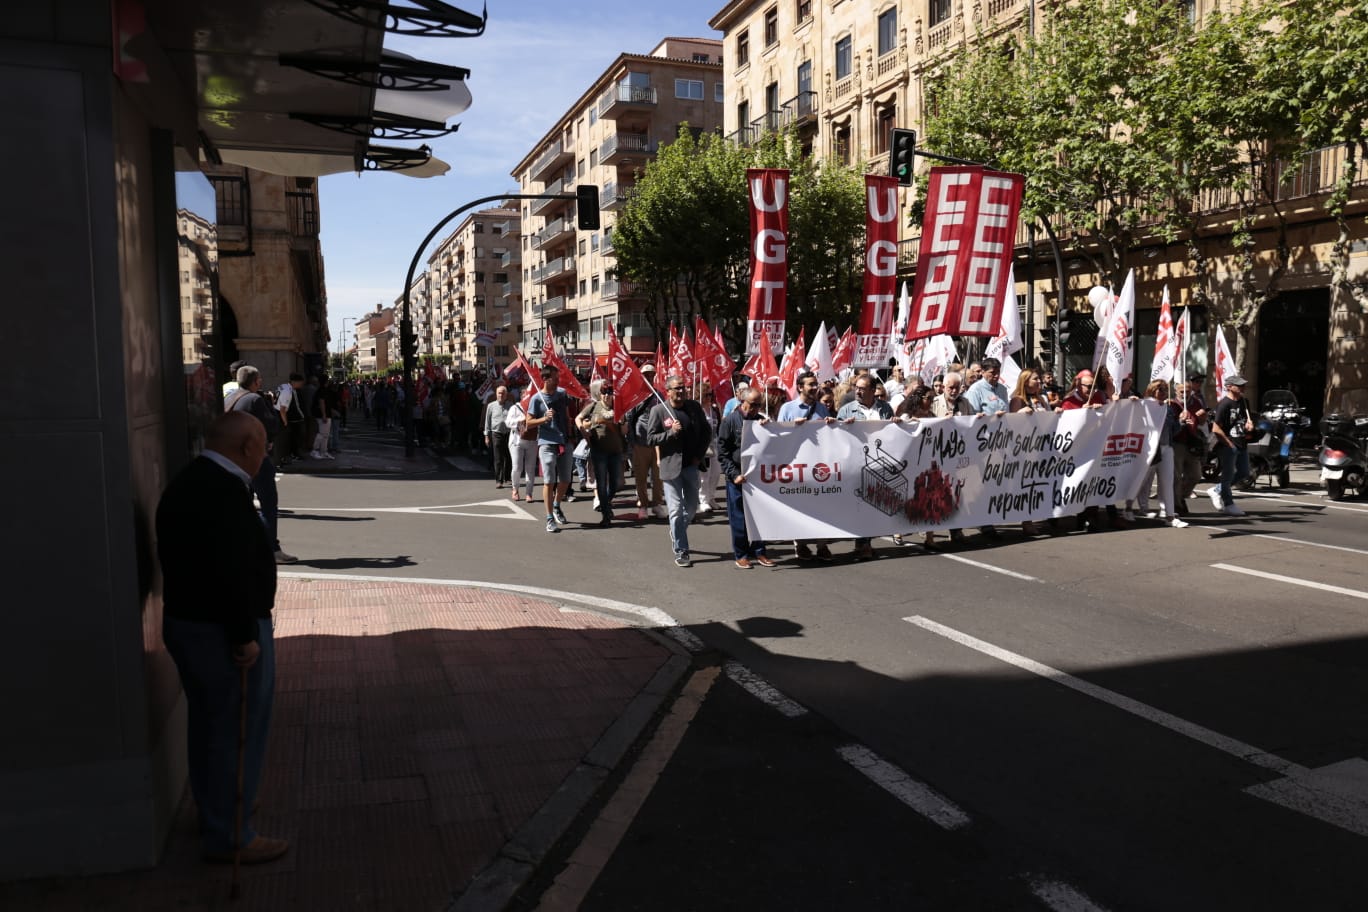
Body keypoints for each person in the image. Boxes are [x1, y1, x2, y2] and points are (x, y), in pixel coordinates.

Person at [157, 411, 288, 865]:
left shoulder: (197, 480)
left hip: (196, 622)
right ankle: (232, 832)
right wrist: (243, 635)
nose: (266, 453)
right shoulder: (220, 492)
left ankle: (220, 807)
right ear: (248, 447)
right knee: (236, 729)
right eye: (264, 445)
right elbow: (226, 571)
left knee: (212, 725)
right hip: (220, 629)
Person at [226, 365, 296, 564]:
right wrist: (271, 405)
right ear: (256, 381)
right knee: (268, 504)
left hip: (235, 458)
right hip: (255, 457)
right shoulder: (255, 399)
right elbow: (273, 426)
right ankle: (271, 550)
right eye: (260, 379)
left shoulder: (230, 398)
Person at [645, 374, 712, 567]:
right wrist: (670, 433)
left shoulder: (694, 407)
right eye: (678, 388)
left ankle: (676, 530)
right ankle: (682, 550)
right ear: (668, 391)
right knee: (675, 510)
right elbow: (650, 439)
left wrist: (699, 455)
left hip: (691, 466)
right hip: (670, 468)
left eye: (684, 387)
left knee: (690, 509)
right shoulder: (659, 411)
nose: (682, 391)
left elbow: (706, 432)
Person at [778, 371, 835, 561]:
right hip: (797, 464)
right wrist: (792, 426)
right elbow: (778, 435)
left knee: (821, 506)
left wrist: (832, 424)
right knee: (799, 506)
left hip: (818, 465)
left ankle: (822, 545)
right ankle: (800, 544)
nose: (814, 387)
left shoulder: (822, 408)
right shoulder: (787, 408)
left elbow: (830, 435)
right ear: (800, 387)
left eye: (815, 384)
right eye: (811, 384)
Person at [837, 375, 895, 560]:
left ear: (872, 391)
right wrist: (844, 426)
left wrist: (896, 423)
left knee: (873, 504)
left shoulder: (885, 408)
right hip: (856, 463)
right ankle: (863, 544)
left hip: (878, 462)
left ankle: (864, 543)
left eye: (862, 388)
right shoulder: (847, 410)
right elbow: (836, 436)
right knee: (860, 504)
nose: (858, 391)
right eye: (856, 387)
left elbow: (892, 433)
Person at [718, 387, 776, 569]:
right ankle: (741, 554)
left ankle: (759, 551)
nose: (756, 408)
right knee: (738, 517)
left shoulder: (760, 420)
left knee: (760, 515)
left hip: (758, 478)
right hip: (738, 476)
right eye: (753, 404)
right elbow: (723, 453)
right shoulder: (730, 421)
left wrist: (769, 429)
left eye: (759, 405)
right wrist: (734, 474)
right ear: (742, 402)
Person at [527, 365, 574, 533]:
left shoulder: (562, 394)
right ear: (546, 379)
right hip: (546, 442)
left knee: (566, 479)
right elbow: (528, 422)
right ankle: (549, 518)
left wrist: (570, 433)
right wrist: (543, 419)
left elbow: (567, 416)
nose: (558, 380)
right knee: (549, 481)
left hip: (564, 441)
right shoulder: (536, 399)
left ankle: (556, 505)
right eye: (555, 378)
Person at [1138, 379, 1189, 528]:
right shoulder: (1144, 406)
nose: (1163, 393)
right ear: (1152, 390)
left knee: (1167, 481)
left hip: (1166, 448)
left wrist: (1181, 422)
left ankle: (1169, 515)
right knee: (1142, 480)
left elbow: (1174, 430)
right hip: (1150, 449)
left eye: (1165, 390)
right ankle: (1131, 508)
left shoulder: (1168, 408)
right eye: (1160, 389)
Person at [576, 380, 624, 527]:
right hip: (599, 451)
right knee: (601, 484)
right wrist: (583, 431)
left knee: (615, 483)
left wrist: (623, 422)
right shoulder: (593, 406)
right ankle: (606, 515)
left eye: (609, 393)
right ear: (600, 394)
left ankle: (606, 503)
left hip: (616, 451)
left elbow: (624, 431)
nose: (606, 396)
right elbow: (578, 418)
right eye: (604, 392)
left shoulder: (618, 408)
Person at [625, 363, 665, 521]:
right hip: (640, 442)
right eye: (646, 374)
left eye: (651, 374)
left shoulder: (659, 395)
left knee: (658, 476)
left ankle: (657, 504)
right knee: (640, 477)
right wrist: (632, 442)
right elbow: (629, 418)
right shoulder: (635, 395)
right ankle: (642, 505)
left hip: (657, 442)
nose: (649, 376)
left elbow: (664, 416)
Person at [1209, 374, 1253, 516]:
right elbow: (1216, 429)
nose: (1243, 387)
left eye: (1243, 385)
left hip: (1241, 442)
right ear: (1229, 387)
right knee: (1227, 475)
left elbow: (1244, 421)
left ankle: (1217, 489)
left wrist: (1249, 425)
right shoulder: (1224, 404)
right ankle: (1229, 504)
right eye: (1239, 385)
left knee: (1244, 472)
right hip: (1228, 444)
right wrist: (1229, 444)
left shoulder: (1244, 402)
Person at [1172, 373, 1210, 514]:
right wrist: (1179, 421)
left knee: (1195, 475)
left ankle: (1180, 496)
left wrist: (1203, 417)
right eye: (1181, 391)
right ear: (1176, 391)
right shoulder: (1172, 404)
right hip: (1177, 443)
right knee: (1176, 476)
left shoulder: (1196, 402)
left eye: (1187, 391)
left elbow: (1201, 422)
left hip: (1191, 442)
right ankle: (1176, 505)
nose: (1185, 394)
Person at [505, 393, 538, 503]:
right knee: (517, 467)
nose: (528, 398)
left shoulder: (536, 408)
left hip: (532, 441)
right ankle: (515, 489)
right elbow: (508, 422)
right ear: (522, 397)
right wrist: (521, 421)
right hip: (516, 442)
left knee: (530, 468)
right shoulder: (515, 408)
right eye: (526, 396)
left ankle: (529, 493)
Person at [698, 384, 724, 513]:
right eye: (707, 395)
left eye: (711, 395)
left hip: (715, 444)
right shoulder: (698, 410)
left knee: (716, 473)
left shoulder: (714, 409)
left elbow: (720, 425)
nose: (709, 397)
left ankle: (711, 497)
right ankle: (703, 500)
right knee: (705, 475)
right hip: (703, 446)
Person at [484, 385, 512, 488]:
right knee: (498, 458)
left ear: (506, 395)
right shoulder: (491, 406)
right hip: (496, 433)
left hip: (509, 433)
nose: (501, 395)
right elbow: (487, 421)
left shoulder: (511, 405)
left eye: (503, 393)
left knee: (508, 456)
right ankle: (499, 480)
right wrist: (486, 435)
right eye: (499, 393)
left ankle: (507, 477)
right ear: (496, 394)